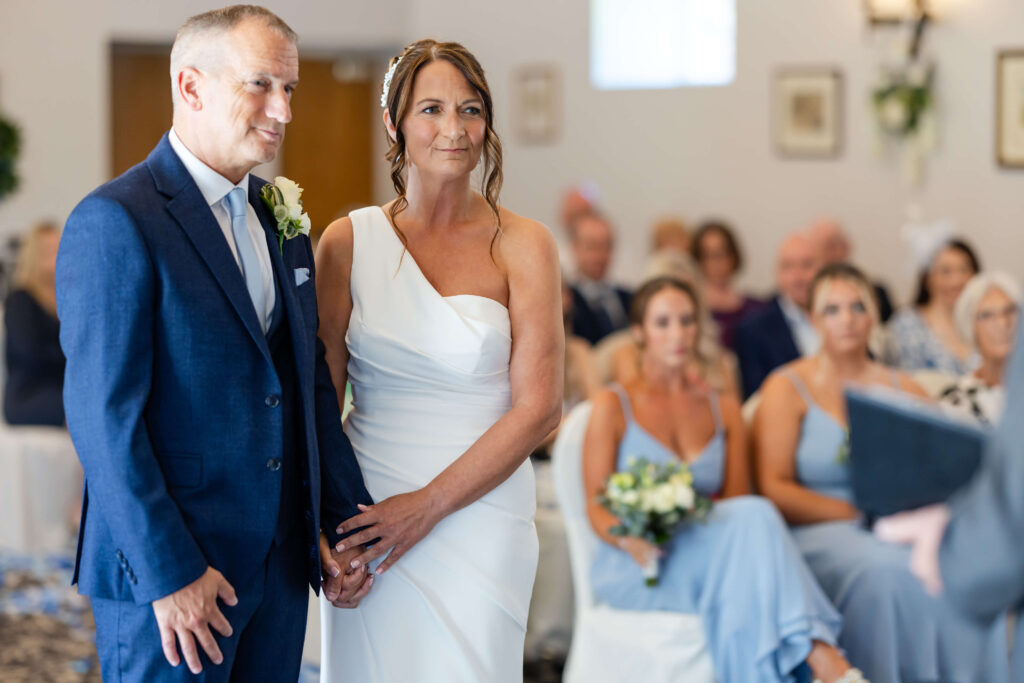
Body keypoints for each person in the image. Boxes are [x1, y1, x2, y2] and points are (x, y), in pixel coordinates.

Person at [55, 7, 373, 681]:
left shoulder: (281, 221)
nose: (282, 111)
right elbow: (103, 419)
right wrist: (170, 572)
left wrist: (341, 524)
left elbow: (308, 382)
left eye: (290, 89)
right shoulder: (116, 220)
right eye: (260, 85)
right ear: (191, 87)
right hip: (172, 572)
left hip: (280, 565)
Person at [315, 39, 563, 682]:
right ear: (395, 124)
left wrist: (427, 504)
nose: (454, 129)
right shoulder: (346, 244)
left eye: (471, 109)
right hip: (368, 516)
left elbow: (539, 409)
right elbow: (319, 407)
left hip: (482, 513)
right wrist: (324, 527)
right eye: (431, 109)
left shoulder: (525, 244)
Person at [584, 276, 862, 683]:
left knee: (751, 522)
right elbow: (595, 503)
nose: (678, 334)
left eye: (686, 321)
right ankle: (824, 658)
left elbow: (735, 505)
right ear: (640, 332)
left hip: (707, 551)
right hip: (640, 562)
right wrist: (631, 538)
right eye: (663, 323)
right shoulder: (613, 404)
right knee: (755, 522)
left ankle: (818, 659)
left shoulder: (723, 407)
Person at [755, 263, 988, 682]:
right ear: (813, 318)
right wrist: (852, 513)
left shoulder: (905, 387)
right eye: (833, 309)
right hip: (819, 532)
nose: (847, 319)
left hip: (897, 526)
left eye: (857, 306)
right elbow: (774, 487)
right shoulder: (786, 387)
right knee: (885, 569)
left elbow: (941, 471)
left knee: (954, 564)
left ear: (873, 316)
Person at [734, 232, 821, 399]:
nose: (798, 276)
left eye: (807, 264)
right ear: (778, 273)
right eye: (788, 266)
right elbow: (756, 397)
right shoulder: (754, 330)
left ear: (823, 269)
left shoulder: (841, 316)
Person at [886, 238, 981, 374]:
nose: (957, 280)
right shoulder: (907, 324)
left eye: (964, 270)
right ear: (927, 278)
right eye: (945, 271)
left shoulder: (987, 318)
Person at [938, 272, 1021, 426]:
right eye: (987, 315)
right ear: (970, 327)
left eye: (1010, 311)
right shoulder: (957, 401)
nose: (1003, 323)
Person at [4, 221, 65, 426]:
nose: (57, 255)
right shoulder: (21, 300)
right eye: (49, 250)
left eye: (60, 248)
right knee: (83, 409)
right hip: (28, 395)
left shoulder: (65, 301)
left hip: (60, 388)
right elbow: (29, 354)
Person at [690, 219, 764, 351]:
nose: (715, 262)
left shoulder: (757, 307)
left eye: (721, 253)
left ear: (733, 256)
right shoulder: (692, 310)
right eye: (707, 255)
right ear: (697, 260)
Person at [808, 219, 894, 322]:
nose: (846, 320)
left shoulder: (876, 292)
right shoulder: (805, 297)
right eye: (820, 247)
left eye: (832, 245)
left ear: (847, 246)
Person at [567, 211, 632, 345]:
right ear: (574, 248)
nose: (600, 255)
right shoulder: (566, 302)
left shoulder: (630, 297)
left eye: (607, 246)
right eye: (592, 246)